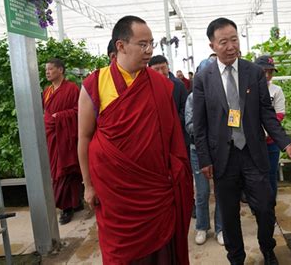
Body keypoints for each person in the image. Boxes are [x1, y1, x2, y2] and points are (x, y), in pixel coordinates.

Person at [77, 16, 193, 264]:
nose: (149, 50)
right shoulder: (95, 84)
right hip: (115, 194)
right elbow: (84, 137)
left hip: (155, 191)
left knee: (161, 253)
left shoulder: (159, 85)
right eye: (142, 44)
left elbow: (173, 137)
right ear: (120, 46)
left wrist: (177, 173)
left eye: (151, 43)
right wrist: (88, 185)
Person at [192, 17, 291, 265]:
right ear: (212, 45)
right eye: (224, 42)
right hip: (223, 157)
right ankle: (236, 258)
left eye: (234, 39)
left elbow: (266, 113)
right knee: (229, 215)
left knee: (265, 207)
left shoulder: (253, 72)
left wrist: (286, 143)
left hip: (253, 153)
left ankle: (268, 248)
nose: (231, 46)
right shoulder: (203, 77)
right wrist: (204, 159)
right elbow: (199, 125)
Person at [185, 57, 223, 246]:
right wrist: (209, 127)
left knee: (222, 191)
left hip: (222, 149)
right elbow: (190, 126)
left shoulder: (226, 94)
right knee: (202, 192)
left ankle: (221, 228)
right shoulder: (192, 98)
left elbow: (233, 119)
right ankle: (201, 227)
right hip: (198, 150)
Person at [42, 58, 82, 225]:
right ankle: (74, 202)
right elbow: (46, 112)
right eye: (46, 70)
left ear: (60, 70)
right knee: (56, 170)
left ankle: (67, 207)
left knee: (67, 171)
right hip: (52, 135)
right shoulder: (47, 91)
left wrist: (60, 116)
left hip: (66, 135)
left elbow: (78, 110)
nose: (47, 72)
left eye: (50, 69)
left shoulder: (71, 89)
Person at [254, 56, 286, 200]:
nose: (267, 75)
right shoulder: (247, 88)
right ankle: (258, 207)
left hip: (271, 142)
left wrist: (267, 131)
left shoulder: (276, 90)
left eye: (270, 72)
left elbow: (279, 113)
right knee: (255, 176)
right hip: (252, 141)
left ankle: (270, 209)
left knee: (270, 175)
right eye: (264, 71)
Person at [148, 55, 189, 146]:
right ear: (149, 70)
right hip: (156, 135)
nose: (161, 72)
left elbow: (185, 109)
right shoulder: (147, 86)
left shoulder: (179, 85)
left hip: (178, 132)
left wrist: (171, 122)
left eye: (163, 68)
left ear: (168, 67)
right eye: (156, 69)